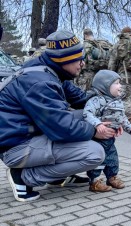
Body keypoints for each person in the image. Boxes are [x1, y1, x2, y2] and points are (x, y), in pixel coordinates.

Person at [0, 30, 119, 202]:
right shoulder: (40, 82)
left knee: (90, 118)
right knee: (94, 153)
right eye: (79, 59)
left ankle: (57, 176)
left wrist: (110, 109)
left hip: (29, 135)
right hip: (16, 147)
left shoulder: (50, 69)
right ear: (64, 59)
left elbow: (81, 100)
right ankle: (24, 177)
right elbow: (62, 128)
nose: (83, 64)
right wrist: (95, 130)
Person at [83, 70, 131, 192]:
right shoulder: (97, 100)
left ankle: (112, 177)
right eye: (116, 83)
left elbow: (121, 118)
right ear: (105, 86)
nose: (120, 86)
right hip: (98, 138)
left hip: (110, 139)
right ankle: (94, 181)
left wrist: (129, 127)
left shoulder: (117, 101)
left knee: (112, 159)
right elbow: (87, 113)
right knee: (98, 159)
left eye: (120, 83)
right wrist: (97, 124)